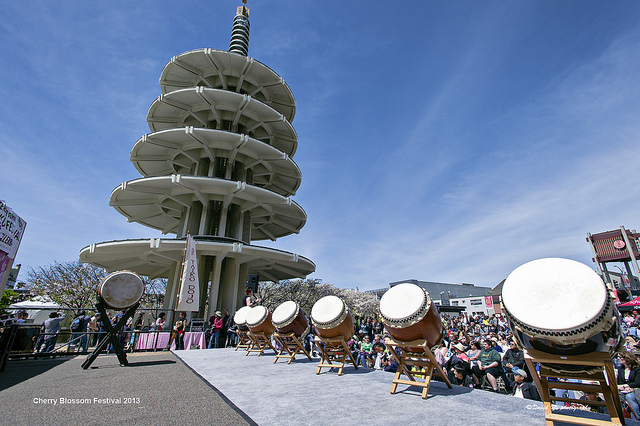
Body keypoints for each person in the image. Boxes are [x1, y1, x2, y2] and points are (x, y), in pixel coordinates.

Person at [617, 351, 640, 419]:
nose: (618, 359)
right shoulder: (620, 370)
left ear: (627, 358)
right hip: (624, 390)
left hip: (636, 390)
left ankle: (636, 418)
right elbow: (620, 383)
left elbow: (638, 383)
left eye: (620, 357)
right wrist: (624, 387)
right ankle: (621, 418)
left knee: (629, 397)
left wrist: (627, 386)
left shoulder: (637, 369)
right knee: (617, 396)